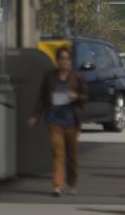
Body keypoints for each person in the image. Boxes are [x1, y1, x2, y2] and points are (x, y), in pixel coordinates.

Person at [29, 46, 88, 196]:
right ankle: (57, 185)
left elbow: (86, 96)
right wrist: (35, 115)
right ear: (57, 60)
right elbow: (42, 98)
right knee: (58, 153)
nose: (65, 61)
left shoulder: (77, 77)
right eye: (62, 58)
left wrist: (76, 96)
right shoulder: (50, 77)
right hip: (54, 119)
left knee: (72, 154)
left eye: (67, 58)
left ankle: (72, 182)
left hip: (72, 120)